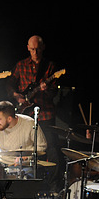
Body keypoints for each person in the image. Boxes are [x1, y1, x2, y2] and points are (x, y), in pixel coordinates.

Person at [6, 35, 62, 189]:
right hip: (25, 115)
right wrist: (16, 95)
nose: (35, 52)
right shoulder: (21, 65)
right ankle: (24, 185)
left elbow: (54, 94)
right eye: (32, 49)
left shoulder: (50, 66)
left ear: (43, 48)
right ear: (28, 48)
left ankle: (53, 187)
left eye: (37, 49)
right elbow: (10, 84)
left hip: (45, 114)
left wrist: (47, 89)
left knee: (51, 148)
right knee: (25, 149)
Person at [0, 100, 48, 170]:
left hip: (24, 166)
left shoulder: (29, 123)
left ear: (9, 119)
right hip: (1, 164)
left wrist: (26, 157)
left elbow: (41, 145)